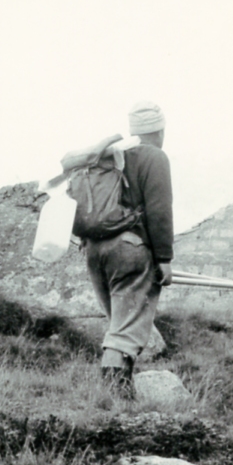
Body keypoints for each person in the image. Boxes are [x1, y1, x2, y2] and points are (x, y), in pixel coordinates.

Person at [84, 101, 173, 399]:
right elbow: (159, 210)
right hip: (130, 249)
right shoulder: (155, 156)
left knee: (119, 323)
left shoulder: (111, 157)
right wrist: (164, 259)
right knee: (124, 331)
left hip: (95, 249)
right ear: (158, 131)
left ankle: (122, 394)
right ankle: (112, 400)